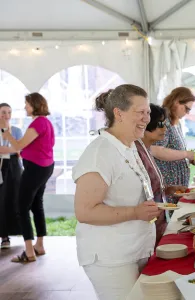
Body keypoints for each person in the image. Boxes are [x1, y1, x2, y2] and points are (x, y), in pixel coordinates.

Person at [73, 84, 162, 300]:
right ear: (118, 113)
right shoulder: (100, 152)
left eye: (148, 112)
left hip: (133, 249)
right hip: (111, 256)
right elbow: (84, 212)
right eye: (140, 112)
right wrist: (135, 212)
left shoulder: (130, 146)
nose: (146, 119)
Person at [0, 93, 55, 263]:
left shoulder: (38, 123)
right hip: (44, 167)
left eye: (27, 104)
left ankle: (29, 252)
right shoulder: (45, 122)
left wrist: (6, 132)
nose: (25, 107)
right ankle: (39, 245)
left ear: (35, 105)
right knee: (36, 205)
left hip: (35, 169)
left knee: (21, 207)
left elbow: (18, 145)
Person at [135, 103, 187, 246]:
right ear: (145, 124)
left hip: (157, 224)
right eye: (159, 124)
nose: (165, 128)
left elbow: (149, 187)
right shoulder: (136, 153)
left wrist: (168, 189)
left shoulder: (146, 150)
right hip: (143, 229)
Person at [151, 87, 195, 202]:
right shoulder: (163, 121)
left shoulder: (176, 123)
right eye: (186, 108)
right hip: (168, 185)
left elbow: (175, 150)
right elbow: (156, 150)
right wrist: (186, 154)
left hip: (177, 185)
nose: (187, 113)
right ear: (176, 101)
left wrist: (189, 158)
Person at [0, 103, 23, 249]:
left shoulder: (16, 130)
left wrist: (9, 149)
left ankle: (17, 231)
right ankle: (4, 236)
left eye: (9, 112)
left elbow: (20, 150)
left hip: (15, 167)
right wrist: (12, 149)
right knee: (1, 200)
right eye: (3, 112)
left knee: (15, 199)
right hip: (1, 167)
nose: (6, 115)